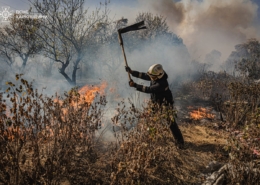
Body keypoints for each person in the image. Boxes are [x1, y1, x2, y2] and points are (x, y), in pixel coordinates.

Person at [125, 64, 185, 149]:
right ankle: (151, 139)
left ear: (158, 76)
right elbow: (145, 75)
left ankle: (180, 143)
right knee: (151, 120)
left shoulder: (162, 83)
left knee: (171, 123)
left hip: (165, 105)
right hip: (156, 103)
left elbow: (148, 89)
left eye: (152, 76)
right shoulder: (157, 76)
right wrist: (131, 72)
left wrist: (135, 85)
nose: (150, 77)